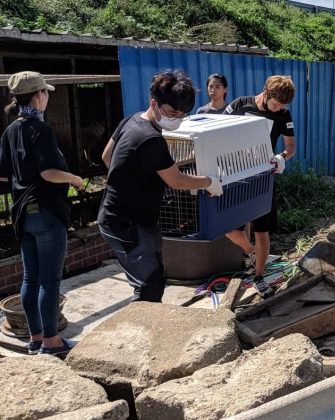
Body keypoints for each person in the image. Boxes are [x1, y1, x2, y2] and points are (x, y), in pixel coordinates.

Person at [99, 70, 223, 302]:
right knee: (149, 284)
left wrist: (132, 179)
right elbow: (175, 180)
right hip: (124, 221)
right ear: (154, 103)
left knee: (156, 275)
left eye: (182, 114)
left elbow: (107, 156)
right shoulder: (150, 138)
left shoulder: (132, 120)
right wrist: (209, 182)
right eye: (172, 112)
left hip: (138, 217)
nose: (176, 118)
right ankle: (140, 333)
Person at [0, 71, 84, 356]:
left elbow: (4, 174)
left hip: (23, 214)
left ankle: (35, 338)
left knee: (30, 279)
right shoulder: (41, 130)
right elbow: (48, 173)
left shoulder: (11, 131)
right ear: (38, 96)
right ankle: (51, 342)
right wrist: (73, 178)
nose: (48, 96)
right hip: (46, 213)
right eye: (46, 92)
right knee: (49, 281)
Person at [222, 76, 291, 298]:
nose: (279, 108)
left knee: (262, 231)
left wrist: (281, 157)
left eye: (283, 106)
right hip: (236, 176)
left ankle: (259, 276)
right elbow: (217, 130)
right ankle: (251, 252)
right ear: (266, 93)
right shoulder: (240, 105)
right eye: (275, 104)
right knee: (228, 227)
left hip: (263, 177)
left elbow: (291, 145)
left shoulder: (283, 115)